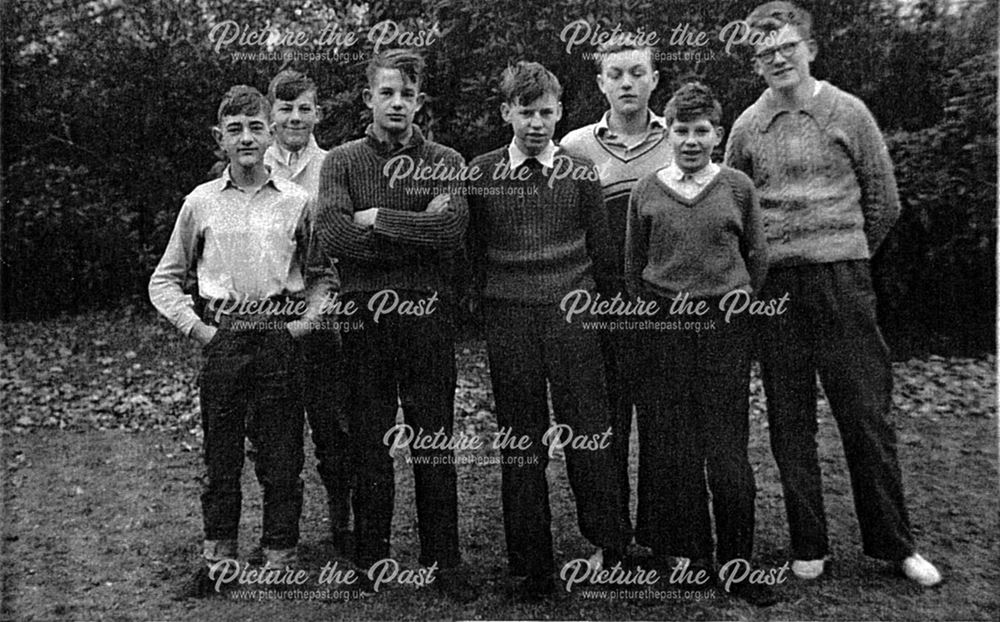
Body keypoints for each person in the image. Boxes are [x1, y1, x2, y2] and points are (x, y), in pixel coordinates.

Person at [724, 1, 942, 587]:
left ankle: (895, 544)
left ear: (810, 50)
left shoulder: (850, 112)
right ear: (755, 62)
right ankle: (808, 542)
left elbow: (884, 201)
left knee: (865, 413)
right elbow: (734, 210)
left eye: (786, 47)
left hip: (843, 282)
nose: (776, 59)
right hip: (776, 290)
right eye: (763, 52)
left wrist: (841, 250)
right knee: (789, 420)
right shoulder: (746, 127)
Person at [149, 85, 334, 598]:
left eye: (256, 127)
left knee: (281, 458)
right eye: (235, 129)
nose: (247, 137)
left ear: (271, 132)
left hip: (278, 336)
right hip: (225, 338)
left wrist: (301, 327)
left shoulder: (299, 202)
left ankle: (280, 556)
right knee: (221, 456)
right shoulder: (201, 202)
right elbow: (165, 280)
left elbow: (322, 277)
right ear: (220, 139)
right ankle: (219, 558)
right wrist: (201, 330)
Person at [311, 48, 476, 602]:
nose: (397, 103)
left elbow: (450, 232)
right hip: (363, 317)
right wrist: (415, 229)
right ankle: (372, 555)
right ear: (368, 99)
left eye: (407, 94)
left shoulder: (447, 160)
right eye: (387, 93)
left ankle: (443, 560)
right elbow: (333, 236)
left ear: (420, 101)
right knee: (368, 441)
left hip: (426, 316)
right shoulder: (340, 161)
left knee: (433, 440)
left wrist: (377, 218)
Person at [467, 61, 625, 601]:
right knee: (521, 440)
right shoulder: (482, 173)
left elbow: (603, 255)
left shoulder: (581, 174)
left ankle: (608, 544)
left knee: (588, 432)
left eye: (546, 112)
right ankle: (531, 562)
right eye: (526, 112)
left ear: (560, 113)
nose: (537, 123)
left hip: (573, 318)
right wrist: (491, 308)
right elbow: (473, 252)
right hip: (510, 318)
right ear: (506, 112)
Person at [625, 81, 773, 606]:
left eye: (702, 130)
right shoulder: (647, 189)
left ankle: (738, 563)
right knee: (674, 445)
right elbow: (632, 267)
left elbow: (757, 257)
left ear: (718, 133)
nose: (691, 141)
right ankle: (692, 557)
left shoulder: (736, 187)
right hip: (665, 326)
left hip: (722, 328)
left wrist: (729, 303)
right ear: (668, 132)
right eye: (681, 130)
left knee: (727, 449)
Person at [560, 42, 673, 544]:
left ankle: (659, 535)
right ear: (601, 83)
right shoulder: (574, 146)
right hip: (600, 304)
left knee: (662, 424)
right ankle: (611, 539)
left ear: (654, 79)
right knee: (602, 426)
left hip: (665, 305)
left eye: (636, 73)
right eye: (615, 74)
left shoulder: (683, 139)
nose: (626, 83)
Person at [264, 69, 353, 554]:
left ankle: (344, 523)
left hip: (326, 314)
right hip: (270, 319)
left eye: (304, 108)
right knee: (273, 432)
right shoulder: (253, 164)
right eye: (285, 108)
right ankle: (281, 534)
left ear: (318, 113)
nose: (295, 118)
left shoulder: (335, 165)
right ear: (270, 115)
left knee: (334, 425)